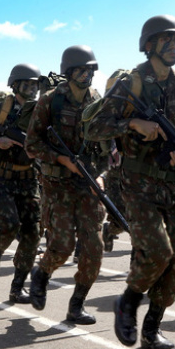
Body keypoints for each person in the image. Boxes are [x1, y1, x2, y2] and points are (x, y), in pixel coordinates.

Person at [85, 15, 175, 349]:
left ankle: (152, 330)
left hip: (172, 185)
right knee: (158, 252)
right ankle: (128, 302)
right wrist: (132, 122)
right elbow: (93, 128)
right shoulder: (131, 83)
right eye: (165, 40)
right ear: (149, 45)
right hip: (137, 183)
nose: (173, 45)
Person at [26, 46, 107, 323]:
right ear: (69, 72)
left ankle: (77, 304)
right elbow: (32, 145)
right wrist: (61, 158)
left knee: (94, 248)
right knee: (62, 245)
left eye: (90, 70)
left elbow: (106, 146)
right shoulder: (50, 101)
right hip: (56, 184)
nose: (87, 75)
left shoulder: (97, 101)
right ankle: (42, 272)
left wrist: (100, 174)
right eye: (81, 70)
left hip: (87, 184)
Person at [0, 64, 42, 304]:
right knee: (9, 224)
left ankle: (17, 287)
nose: (33, 88)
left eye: (36, 84)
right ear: (15, 85)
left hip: (27, 178)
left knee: (33, 234)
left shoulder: (40, 111)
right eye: (28, 84)